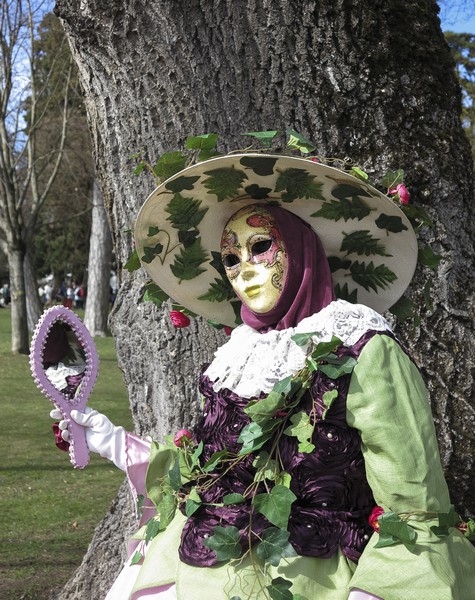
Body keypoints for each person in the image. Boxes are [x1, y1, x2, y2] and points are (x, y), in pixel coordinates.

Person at [50, 153, 475, 599]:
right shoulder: (235, 359)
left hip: (310, 582)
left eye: (260, 247)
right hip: (197, 571)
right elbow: (207, 474)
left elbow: (414, 504)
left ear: (301, 248)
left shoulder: (361, 346)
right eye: (231, 259)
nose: (244, 272)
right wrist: (111, 440)